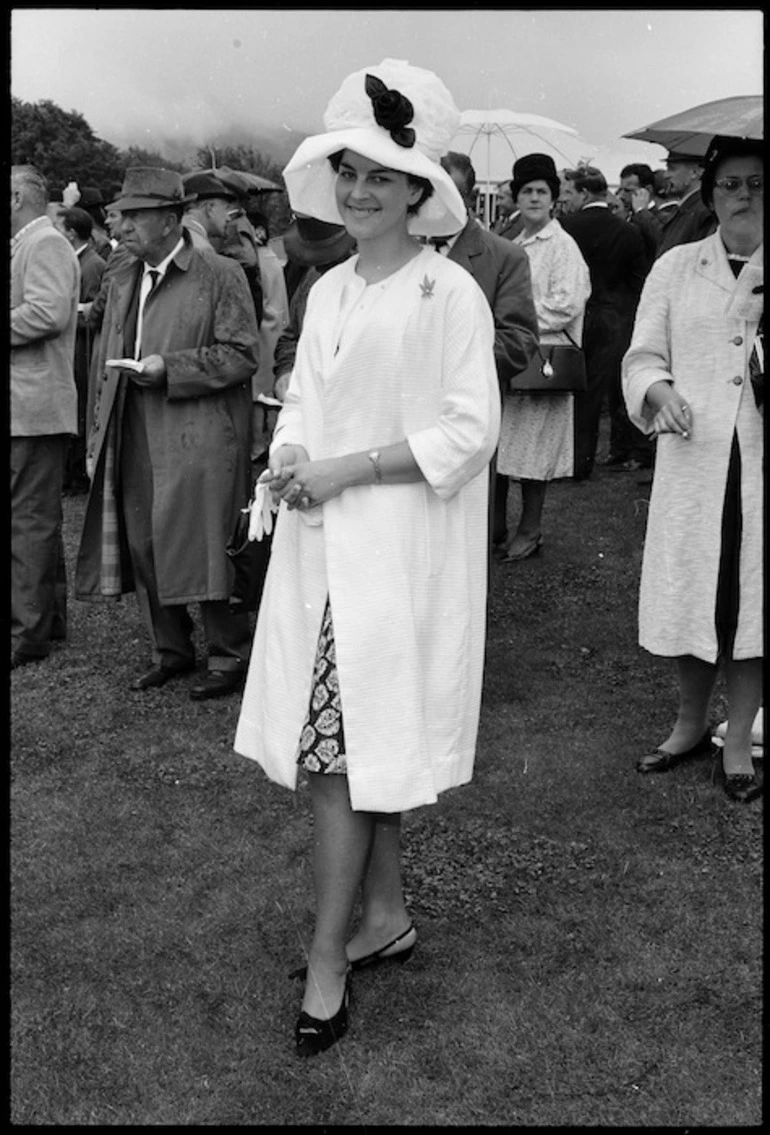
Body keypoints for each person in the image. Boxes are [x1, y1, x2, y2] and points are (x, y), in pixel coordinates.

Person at [234, 59, 500, 1057]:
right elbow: (304, 398)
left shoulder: (448, 296)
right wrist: (295, 451)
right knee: (355, 744)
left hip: (393, 559)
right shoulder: (330, 285)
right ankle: (380, 912)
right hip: (322, 553)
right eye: (346, 171)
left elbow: (468, 434)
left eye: (378, 177)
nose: (355, 191)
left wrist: (349, 468)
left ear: (418, 192)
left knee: (338, 759)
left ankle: (327, 958)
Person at [75, 167, 260, 701]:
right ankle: (171, 652)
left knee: (208, 538)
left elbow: (242, 353)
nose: (123, 224)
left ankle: (229, 657)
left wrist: (170, 368)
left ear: (172, 218)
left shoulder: (219, 272)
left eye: (136, 215)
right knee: (144, 539)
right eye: (121, 214)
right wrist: (96, 431)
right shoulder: (122, 274)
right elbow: (102, 358)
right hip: (131, 425)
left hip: (198, 428)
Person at [623, 135, 763, 804]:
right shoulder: (676, 267)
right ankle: (687, 722)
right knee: (693, 590)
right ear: (710, 195)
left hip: (758, 462)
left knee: (751, 598)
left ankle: (738, 740)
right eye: (732, 184)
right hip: (697, 455)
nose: (744, 196)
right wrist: (659, 392)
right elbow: (643, 355)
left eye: (759, 184)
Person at [435, 151, 539, 551]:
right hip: (401, 417)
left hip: (466, 414)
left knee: (463, 542)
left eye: (450, 193)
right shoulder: (400, 251)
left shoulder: (504, 256)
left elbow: (518, 342)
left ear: (472, 196)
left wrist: (442, 351)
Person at [495, 154, 591, 562]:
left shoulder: (562, 245)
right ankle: (496, 526)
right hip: (515, 356)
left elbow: (567, 303)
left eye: (542, 192)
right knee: (505, 445)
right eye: (527, 191)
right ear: (517, 196)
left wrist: (517, 316)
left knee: (534, 448)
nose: (534, 198)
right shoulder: (515, 241)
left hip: (543, 356)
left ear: (553, 199)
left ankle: (530, 529)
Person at [11, 164, 79, 669]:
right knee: (36, 519)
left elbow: (47, 313)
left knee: (28, 521)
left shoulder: (45, 244)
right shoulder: (34, 243)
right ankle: (44, 621)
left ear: (16, 198)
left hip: (32, 409)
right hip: (30, 408)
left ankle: (26, 633)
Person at [560, 165, 647, 478]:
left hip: (577, 314)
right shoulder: (628, 230)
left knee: (571, 388)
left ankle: (571, 459)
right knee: (599, 391)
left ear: (583, 193)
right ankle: (585, 460)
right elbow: (639, 281)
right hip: (614, 317)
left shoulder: (565, 227)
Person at [273, 214, 357, 401]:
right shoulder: (311, 281)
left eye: (328, 259)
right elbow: (291, 337)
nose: (319, 267)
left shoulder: (373, 287)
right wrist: (286, 372)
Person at [58, 205, 106, 493]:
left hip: (81, 350)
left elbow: (94, 313)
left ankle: (76, 475)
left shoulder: (92, 265)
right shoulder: (79, 261)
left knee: (79, 407)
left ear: (72, 233)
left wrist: (67, 313)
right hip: (73, 348)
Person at [655, 150, 716, 258]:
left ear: (695, 172)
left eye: (672, 168)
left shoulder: (703, 211)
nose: (666, 175)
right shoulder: (687, 208)